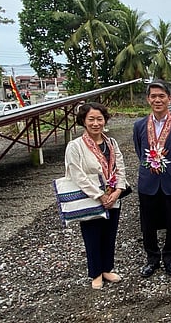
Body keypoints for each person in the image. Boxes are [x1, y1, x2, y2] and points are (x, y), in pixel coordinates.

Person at [64, 102, 127, 289]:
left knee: (110, 234)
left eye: (99, 119)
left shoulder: (111, 143)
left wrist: (117, 192)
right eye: (91, 119)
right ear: (83, 120)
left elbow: (120, 168)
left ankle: (107, 268)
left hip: (113, 197)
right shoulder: (75, 146)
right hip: (91, 198)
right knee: (92, 236)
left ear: (105, 120)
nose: (95, 123)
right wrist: (100, 195)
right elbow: (77, 175)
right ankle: (95, 273)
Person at [133, 80, 171, 277]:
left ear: (169, 99)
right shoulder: (139, 125)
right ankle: (152, 258)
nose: (157, 100)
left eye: (161, 96)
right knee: (148, 224)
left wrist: (168, 168)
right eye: (153, 96)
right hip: (148, 182)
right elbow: (140, 152)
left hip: (170, 182)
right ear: (148, 99)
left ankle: (169, 258)